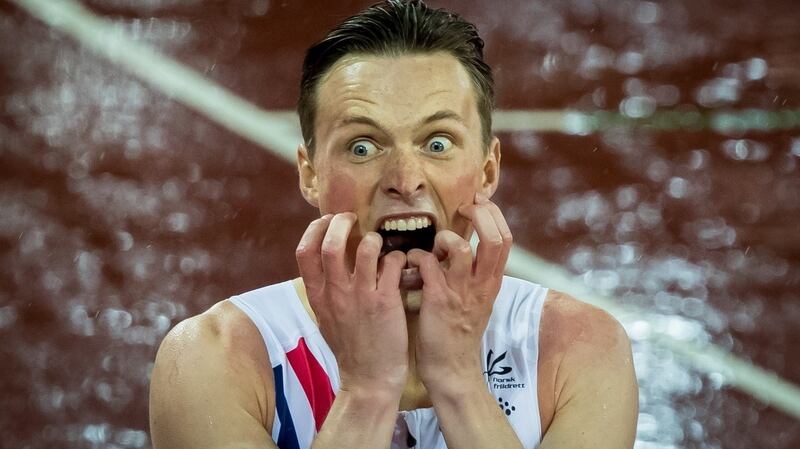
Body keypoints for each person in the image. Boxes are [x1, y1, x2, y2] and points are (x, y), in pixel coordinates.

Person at [148, 1, 639, 448]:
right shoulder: (215, 361)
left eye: (438, 142)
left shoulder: (579, 350)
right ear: (310, 174)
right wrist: (366, 392)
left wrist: (458, 381)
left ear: (487, 170)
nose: (405, 180)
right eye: (362, 146)